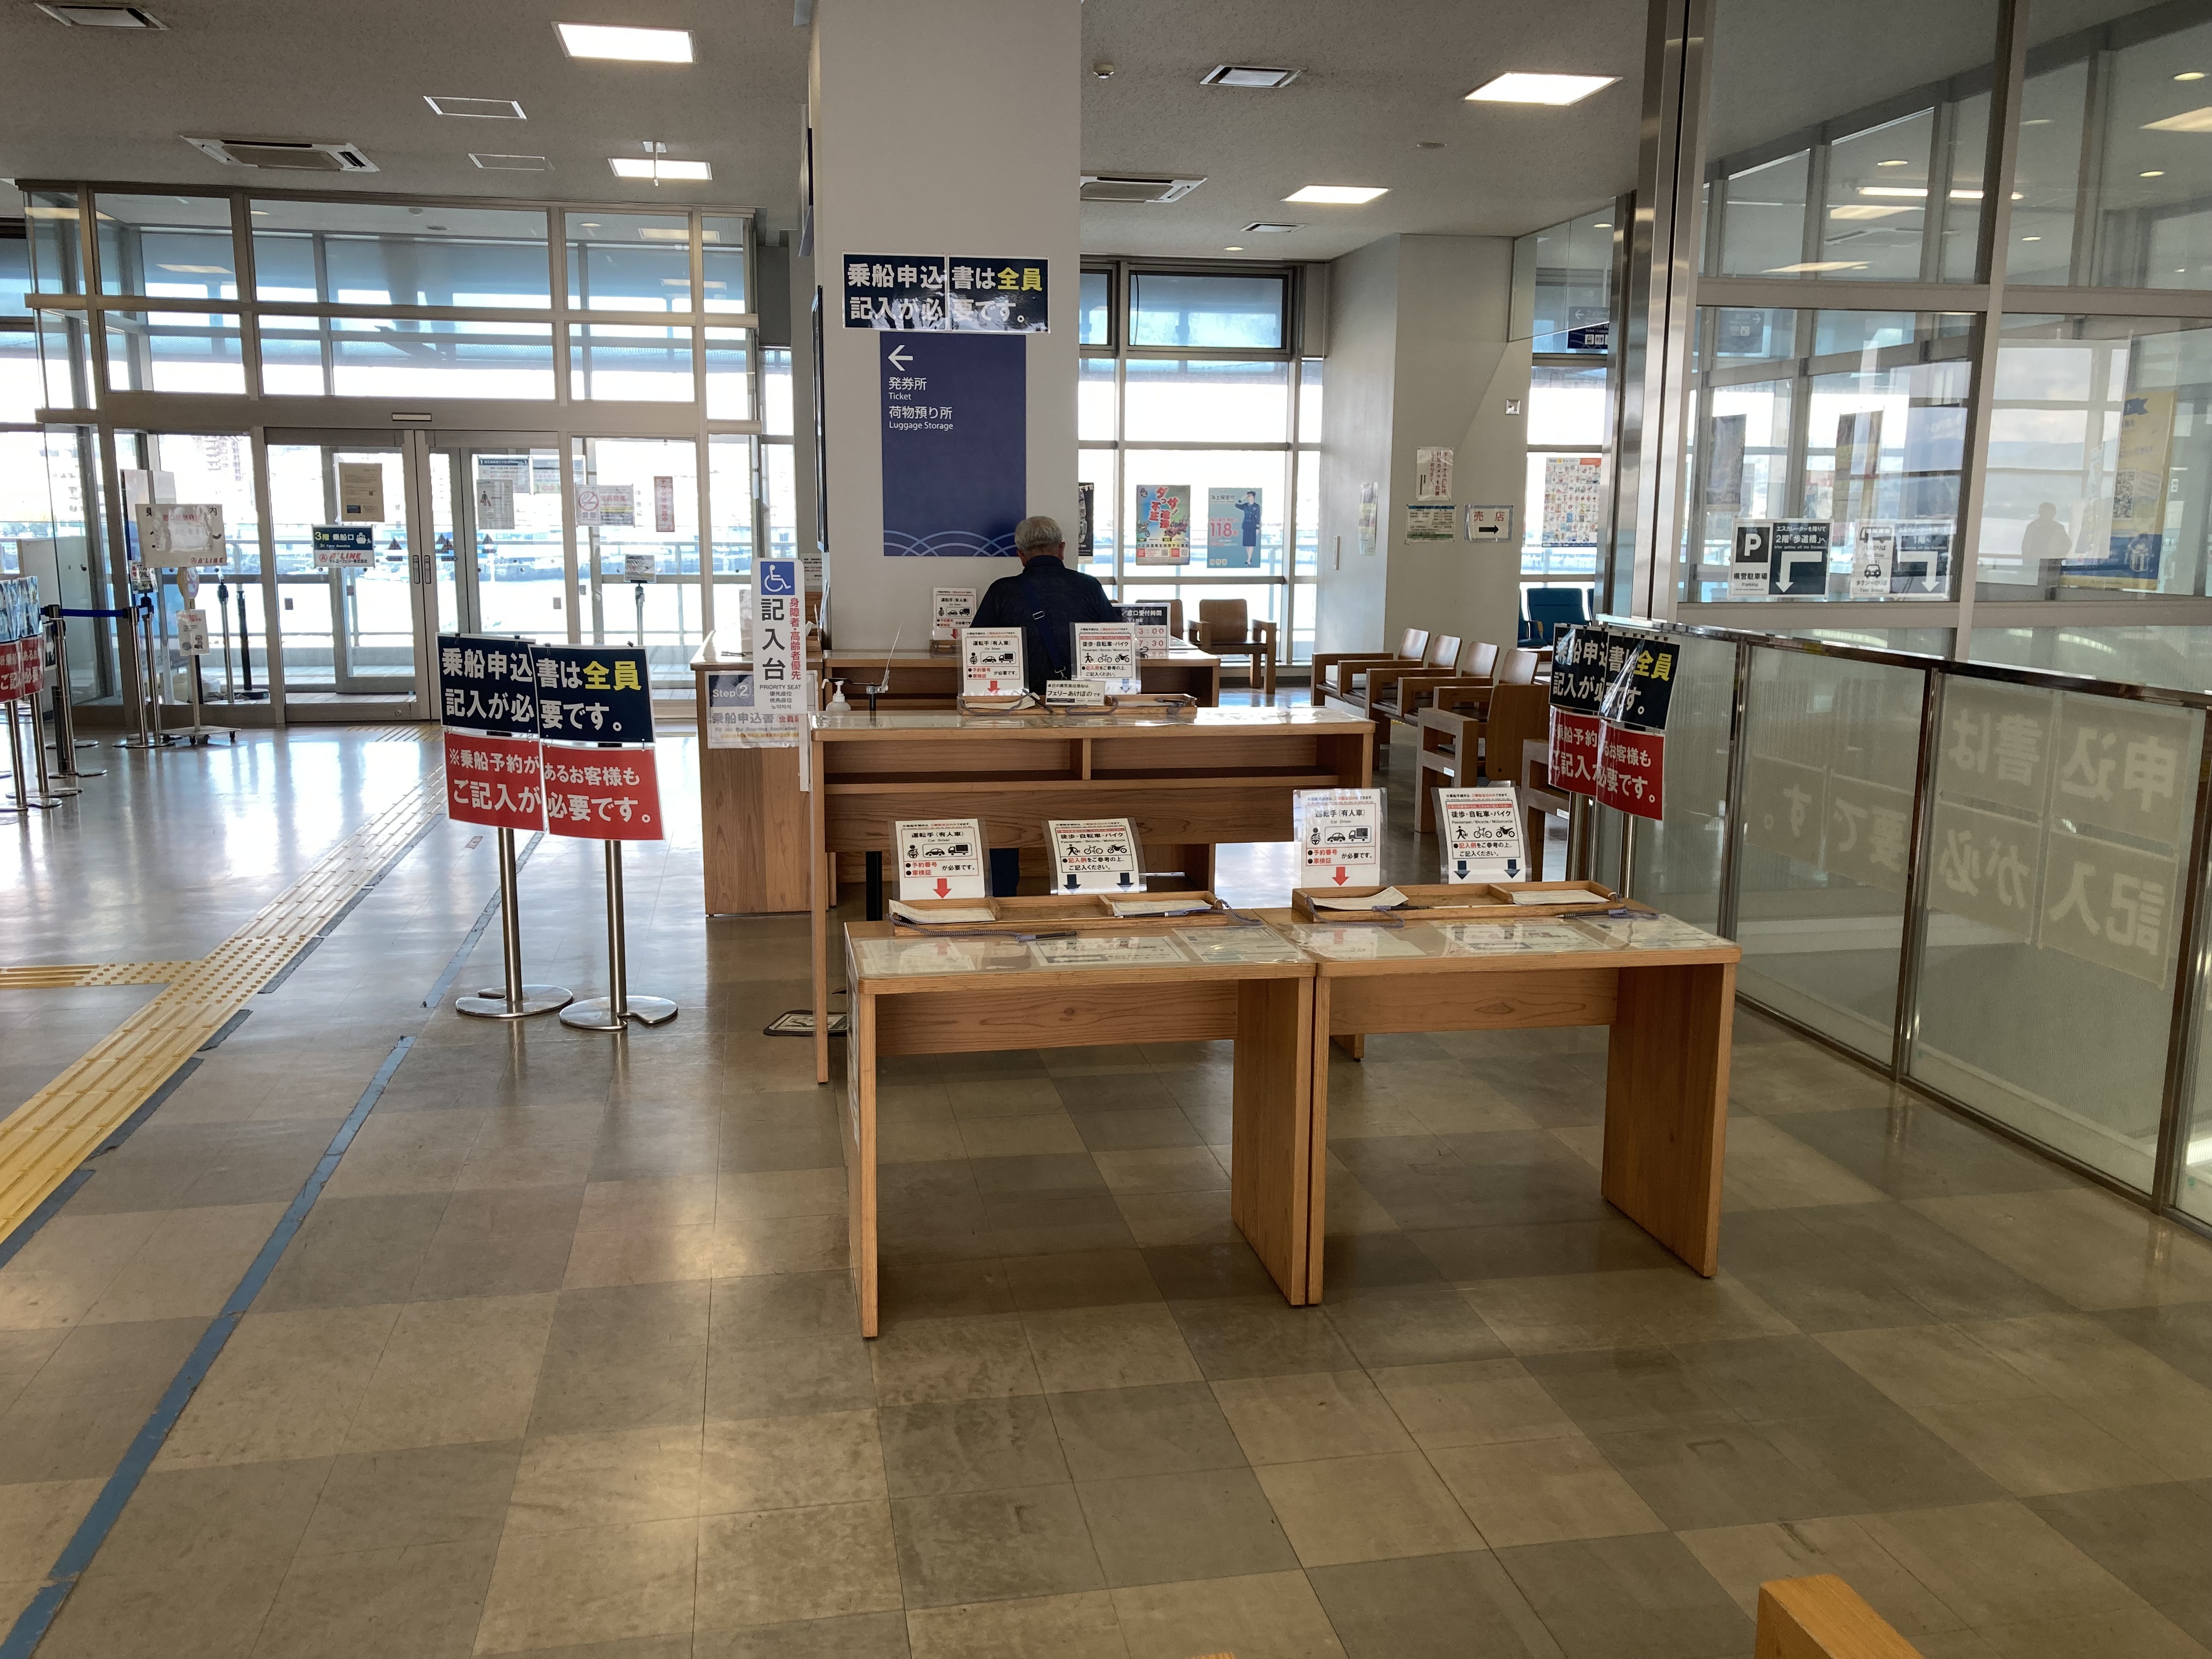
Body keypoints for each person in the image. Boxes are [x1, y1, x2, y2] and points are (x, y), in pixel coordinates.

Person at [971, 514, 1119, 692]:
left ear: (1022, 556)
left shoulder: (1001, 591)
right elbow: (1115, 640)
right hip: (1081, 698)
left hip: (1019, 700)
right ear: (1062, 549)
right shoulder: (1090, 586)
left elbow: (976, 646)